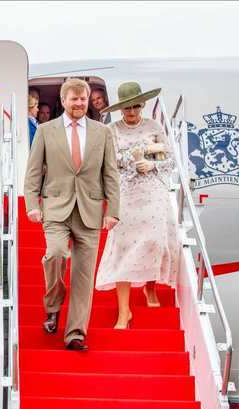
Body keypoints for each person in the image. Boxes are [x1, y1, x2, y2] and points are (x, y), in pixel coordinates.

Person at [24, 78, 119, 350]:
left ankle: (75, 333)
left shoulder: (102, 133)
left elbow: (110, 173)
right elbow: (33, 171)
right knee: (55, 253)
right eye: (73, 99)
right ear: (63, 101)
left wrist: (112, 210)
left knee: (83, 276)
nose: (78, 103)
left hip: (90, 209)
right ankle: (53, 304)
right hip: (56, 207)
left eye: (82, 99)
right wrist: (32, 203)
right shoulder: (45, 131)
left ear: (87, 101)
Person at [95, 81, 179, 328]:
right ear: (121, 109)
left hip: (152, 189)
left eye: (135, 107)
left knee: (154, 240)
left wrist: (152, 164)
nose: (131, 112)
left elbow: (171, 159)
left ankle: (150, 288)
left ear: (142, 105)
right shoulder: (111, 130)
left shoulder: (154, 126)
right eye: (126, 108)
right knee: (123, 246)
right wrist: (131, 161)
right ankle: (124, 312)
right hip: (125, 191)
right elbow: (106, 162)